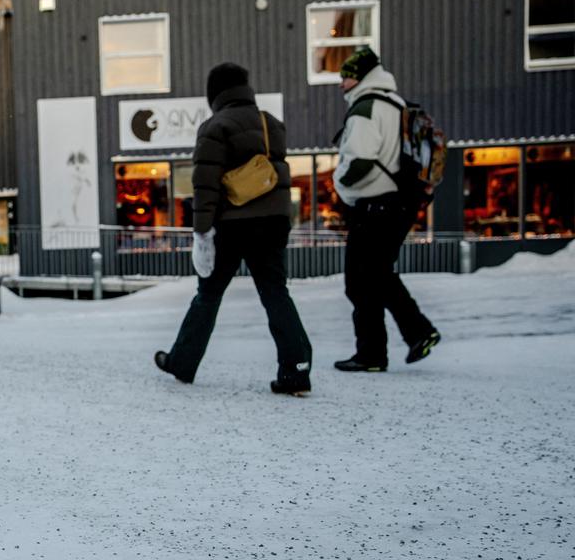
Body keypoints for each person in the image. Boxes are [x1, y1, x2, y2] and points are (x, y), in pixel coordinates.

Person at [154, 62, 313, 395]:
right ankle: (296, 367)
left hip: (232, 224)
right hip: (272, 222)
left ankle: (183, 362)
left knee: (208, 296)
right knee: (275, 292)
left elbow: (205, 186)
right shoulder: (272, 125)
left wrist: (201, 233)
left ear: (215, 93)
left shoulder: (215, 126)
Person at [331, 47, 440, 372]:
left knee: (360, 278)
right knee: (377, 274)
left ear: (361, 77)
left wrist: (340, 185)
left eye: (347, 76)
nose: (342, 83)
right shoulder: (397, 104)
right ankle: (404, 339)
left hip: (376, 205)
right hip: (401, 202)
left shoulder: (366, 108)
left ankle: (378, 351)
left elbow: (360, 160)